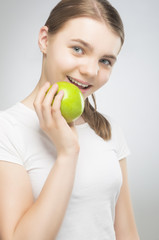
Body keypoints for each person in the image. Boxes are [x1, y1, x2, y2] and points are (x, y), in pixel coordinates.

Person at [0, 0, 140, 239]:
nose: (91, 71)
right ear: (45, 40)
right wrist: (67, 153)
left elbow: (126, 232)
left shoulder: (108, 130)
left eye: (105, 60)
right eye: (78, 49)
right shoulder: (7, 129)